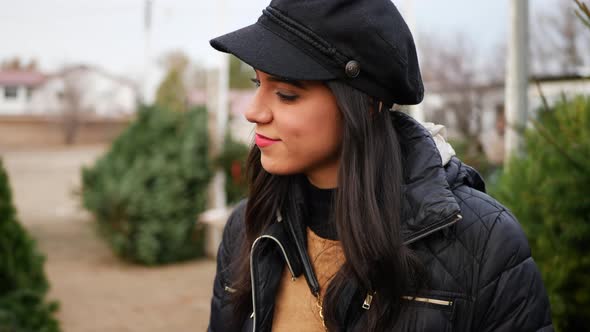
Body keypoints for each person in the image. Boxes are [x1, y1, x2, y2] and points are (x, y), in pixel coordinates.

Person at [207, 0, 553, 331]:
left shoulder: (484, 241)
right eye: (257, 83)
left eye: (286, 94)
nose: (253, 111)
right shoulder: (249, 228)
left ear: (367, 103)